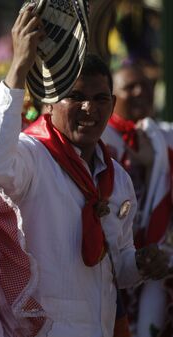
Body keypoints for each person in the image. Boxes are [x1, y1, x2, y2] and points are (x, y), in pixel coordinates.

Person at [0, 7, 170, 337]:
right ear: (49, 103)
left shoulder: (115, 178)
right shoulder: (32, 155)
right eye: (75, 97)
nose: (89, 108)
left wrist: (139, 264)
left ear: (112, 104)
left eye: (100, 98)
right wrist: (19, 68)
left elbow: (115, 266)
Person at [101, 64, 172, 337]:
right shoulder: (98, 139)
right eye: (130, 87)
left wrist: (157, 160)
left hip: (155, 265)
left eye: (146, 85)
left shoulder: (160, 135)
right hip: (111, 264)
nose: (141, 91)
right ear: (113, 97)